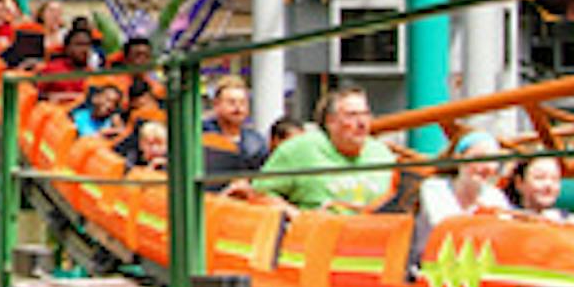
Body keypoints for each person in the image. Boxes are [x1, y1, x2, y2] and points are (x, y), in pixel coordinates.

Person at [252, 84, 399, 211]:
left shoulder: (381, 153)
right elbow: (259, 194)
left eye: (366, 114)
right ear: (331, 121)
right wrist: (295, 216)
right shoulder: (300, 149)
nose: (361, 123)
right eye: (351, 115)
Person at [418, 129, 513, 225]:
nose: (488, 167)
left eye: (494, 160)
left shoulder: (495, 196)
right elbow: (445, 227)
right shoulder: (435, 188)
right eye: (479, 158)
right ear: (459, 158)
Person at [201, 74, 268, 190]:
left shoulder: (256, 142)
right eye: (231, 102)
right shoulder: (201, 135)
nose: (238, 107)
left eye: (243, 103)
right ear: (216, 105)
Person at [510, 155, 574, 224]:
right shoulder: (506, 218)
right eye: (540, 178)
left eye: (555, 179)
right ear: (519, 183)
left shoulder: (571, 222)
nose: (548, 185)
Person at [37, 28, 97, 102]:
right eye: (79, 44)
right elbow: (36, 94)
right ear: (67, 48)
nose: (84, 49)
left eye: (87, 45)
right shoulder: (52, 69)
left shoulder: (94, 74)